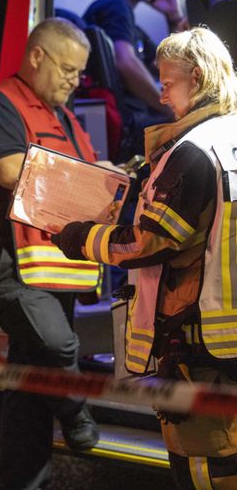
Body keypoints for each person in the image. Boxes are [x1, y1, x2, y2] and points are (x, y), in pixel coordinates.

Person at [52, 27, 237, 489]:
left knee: (204, 464)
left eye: (168, 81)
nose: (160, 90)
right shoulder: (229, 138)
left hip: (199, 344)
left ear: (196, 78)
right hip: (229, 335)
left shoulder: (193, 152)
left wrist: (79, 237)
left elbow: (149, 243)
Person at [0, 17, 102, 490]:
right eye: (67, 68)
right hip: (8, 266)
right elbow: (6, 170)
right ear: (36, 55)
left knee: (30, 383)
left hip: (51, 268)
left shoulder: (61, 115)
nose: (74, 80)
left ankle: (22, 483)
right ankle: (79, 414)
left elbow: (89, 172)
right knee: (59, 347)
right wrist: (93, 176)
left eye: (80, 73)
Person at [84, 0, 184, 162]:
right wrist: (169, 107)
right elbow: (125, 62)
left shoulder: (126, 19)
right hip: (130, 129)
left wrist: (173, 16)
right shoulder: (115, 6)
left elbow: (170, 64)